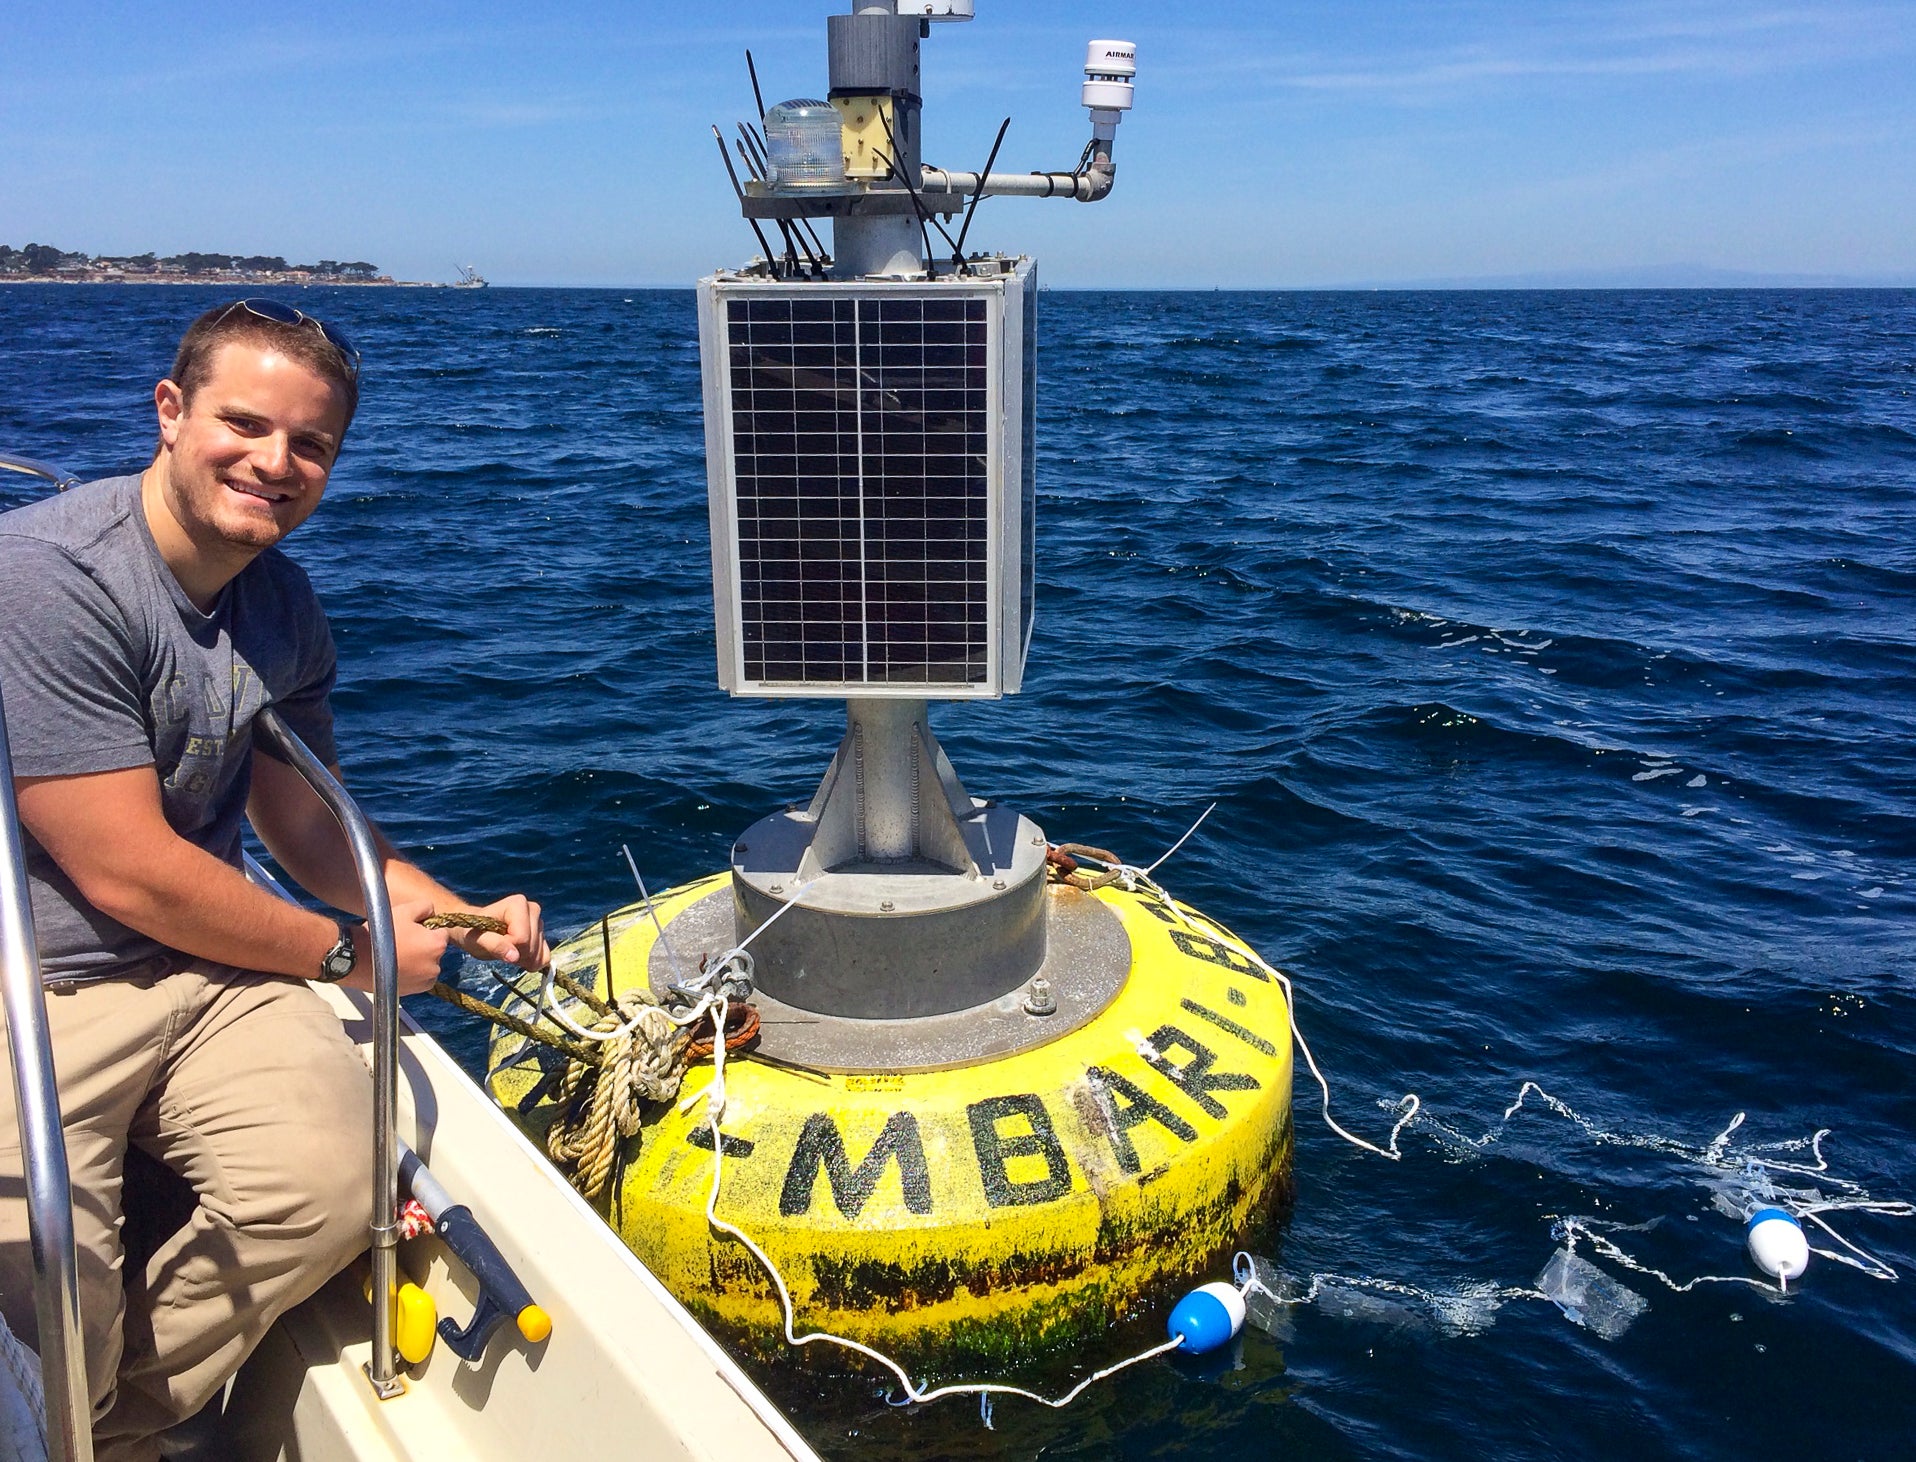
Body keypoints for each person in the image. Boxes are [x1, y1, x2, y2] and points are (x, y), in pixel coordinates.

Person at [0, 300, 549, 1461]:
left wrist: (451, 913)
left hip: (205, 972)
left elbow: (304, 821)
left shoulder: (281, 603)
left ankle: (112, 1431)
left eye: (310, 444)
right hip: (34, 983)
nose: (274, 462)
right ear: (170, 411)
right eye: (244, 424)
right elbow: (128, 871)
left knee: (334, 1179)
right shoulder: (49, 580)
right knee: (53, 1281)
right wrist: (352, 954)